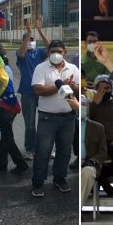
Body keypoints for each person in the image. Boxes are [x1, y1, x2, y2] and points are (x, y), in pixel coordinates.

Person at [31, 40, 79, 197]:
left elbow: (78, 90)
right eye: (52, 51)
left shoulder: (72, 68)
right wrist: (59, 85)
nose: (55, 54)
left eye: (59, 51)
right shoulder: (41, 68)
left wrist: (72, 86)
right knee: (43, 152)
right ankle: (38, 183)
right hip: (47, 118)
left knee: (65, 151)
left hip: (68, 117)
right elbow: (38, 90)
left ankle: (59, 178)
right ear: (48, 52)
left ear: (65, 52)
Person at [0, 47, 29, 174]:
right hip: (9, 107)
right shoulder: (5, 68)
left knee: (7, 138)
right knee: (4, 136)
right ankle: (2, 161)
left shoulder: (0, 70)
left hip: (4, 107)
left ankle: (21, 163)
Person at [16, 17, 49, 160]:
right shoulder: (20, 54)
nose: (30, 41)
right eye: (28, 39)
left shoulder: (40, 53)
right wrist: (28, 33)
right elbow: (22, 53)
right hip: (27, 93)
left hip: (41, 91)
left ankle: (44, 149)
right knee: (29, 123)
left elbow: (50, 47)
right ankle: (30, 149)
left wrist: (40, 31)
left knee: (46, 122)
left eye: (32, 39)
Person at [80, 95, 107, 208]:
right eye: (79, 104)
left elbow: (103, 151)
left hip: (88, 163)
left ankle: (79, 208)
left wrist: (92, 160)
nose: (81, 107)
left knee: (88, 172)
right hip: (73, 162)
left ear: (88, 107)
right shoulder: (70, 124)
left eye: (84, 105)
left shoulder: (97, 127)